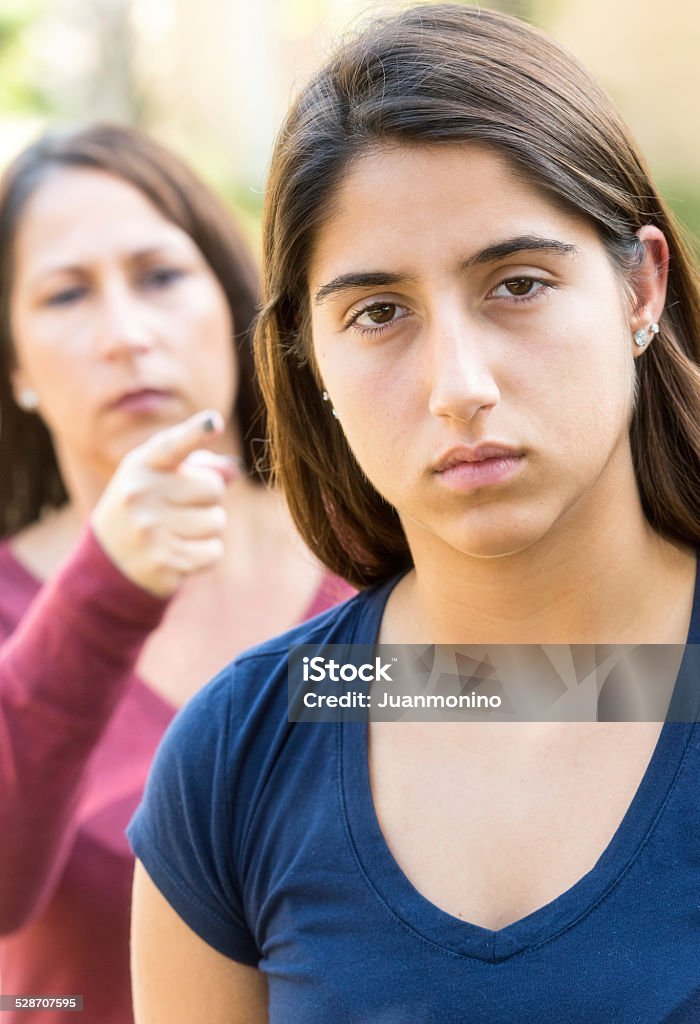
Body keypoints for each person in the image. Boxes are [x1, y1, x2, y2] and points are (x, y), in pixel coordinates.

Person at [128, 6, 700, 1022]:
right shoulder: (239, 755)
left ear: (639, 287)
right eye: (378, 313)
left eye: (516, 284)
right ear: (311, 357)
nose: (458, 385)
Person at [0, 123, 353, 1024]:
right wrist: (102, 592)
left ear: (232, 302)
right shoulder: (17, 603)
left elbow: (600, 709)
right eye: (66, 295)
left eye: (160, 277)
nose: (126, 334)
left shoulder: (375, 551)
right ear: (16, 367)